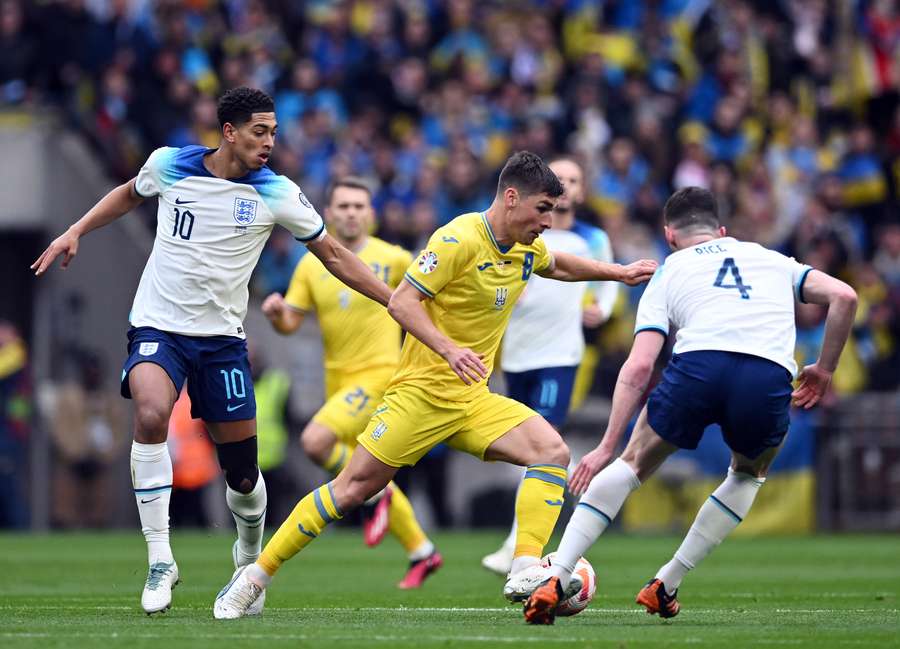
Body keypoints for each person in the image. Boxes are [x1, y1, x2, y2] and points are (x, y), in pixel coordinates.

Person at [213, 150, 657, 619]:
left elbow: (559, 265)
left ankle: (525, 565)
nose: (550, 220)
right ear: (511, 198)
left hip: (472, 400)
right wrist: (449, 349)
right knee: (351, 489)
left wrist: (619, 273)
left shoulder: (526, 245)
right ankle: (253, 578)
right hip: (420, 395)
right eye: (543, 209)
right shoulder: (458, 239)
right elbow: (402, 303)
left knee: (551, 451)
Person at [31, 87, 393, 615]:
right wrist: (75, 230)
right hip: (159, 325)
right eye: (259, 131)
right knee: (151, 413)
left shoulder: (277, 192)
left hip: (222, 342)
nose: (270, 142)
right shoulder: (171, 164)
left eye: (273, 132)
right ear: (229, 132)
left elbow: (333, 253)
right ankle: (161, 560)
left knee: (243, 475)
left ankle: (248, 560)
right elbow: (130, 193)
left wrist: (392, 300)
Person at [522, 187, 858, 624]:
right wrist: (825, 369)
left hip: (698, 366)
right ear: (721, 231)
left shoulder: (669, 270)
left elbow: (640, 365)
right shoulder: (773, 260)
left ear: (669, 234)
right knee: (748, 472)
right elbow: (845, 298)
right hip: (767, 373)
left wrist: (607, 445)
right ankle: (667, 583)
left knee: (632, 464)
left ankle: (557, 574)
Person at [261, 177, 441, 588]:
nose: (351, 213)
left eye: (359, 206)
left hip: (381, 375)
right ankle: (422, 550)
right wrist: (276, 313)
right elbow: (292, 321)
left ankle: (378, 500)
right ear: (329, 213)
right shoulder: (310, 263)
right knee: (367, 471)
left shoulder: (394, 259)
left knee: (315, 442)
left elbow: (428, 296)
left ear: (371, 213)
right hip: (338, 381)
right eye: (343, 206)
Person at [483, 156, 618, 575]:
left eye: (576, 179)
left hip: (560, 355)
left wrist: (601, 308)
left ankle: (515, 545)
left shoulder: (591, 238)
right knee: (532, 450)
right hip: (518, 352)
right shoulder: (521, 233)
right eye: (563, 178)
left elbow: (602, 288)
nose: (569, 186)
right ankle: (589, 483)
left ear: (580, 189)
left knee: (543, 440)